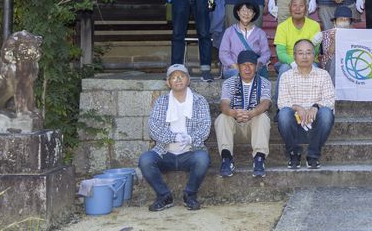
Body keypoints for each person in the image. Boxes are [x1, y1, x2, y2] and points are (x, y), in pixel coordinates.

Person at [138, 64, 211, 211]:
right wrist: (174, 137)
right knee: (145, 160)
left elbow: (205, 127)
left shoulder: (199, 101)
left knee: (202, 159)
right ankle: (164, 196)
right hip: (165, 152)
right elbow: (154, 128)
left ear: (188, 80)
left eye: (182, 76)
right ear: (168, 82)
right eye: (174, 77)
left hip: (190, 152)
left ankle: (190, 195)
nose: (178, 79)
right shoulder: (161, 101)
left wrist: (190, 138)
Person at [276, 39, 336, 169]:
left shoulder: (323, 75)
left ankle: (313, 155)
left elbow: (330, 99)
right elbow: (282, 102)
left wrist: (316, 106)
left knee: (326, 113)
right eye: (300, 53)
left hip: (316, 123)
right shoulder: (286, 76)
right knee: (284, 114)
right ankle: (294, 153)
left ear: (314, 56)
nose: (304, 56)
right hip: (295, 122)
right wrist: (297, 107)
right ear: (294, 56)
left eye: (308, 53)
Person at [214, 50, 272, 178]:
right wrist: (233, 113)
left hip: (254, 128)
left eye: (251, 64)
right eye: (243, 65)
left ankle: (259, 159)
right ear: (238, 66)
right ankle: (226, 159)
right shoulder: (229, 83)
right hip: (235, 129)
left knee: (262, 116)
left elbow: (265, 103)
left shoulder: (264, 82)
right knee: (223, 117)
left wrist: (252, 113)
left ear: (256, 67)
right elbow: (224, 104)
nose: (247, 68)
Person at [273, 0, 322, 97]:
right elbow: (280, 53)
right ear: (289, 8)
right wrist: (293, 62)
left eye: (301, 6)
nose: (297, 9)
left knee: (313, 68)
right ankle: (279, 103)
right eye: (294, 5)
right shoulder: (282, 27)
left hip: (310, 60)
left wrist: (314, 44)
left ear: (306, 8)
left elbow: (315, 52)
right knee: (284, 69)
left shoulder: (314, 25)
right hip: (288, 61)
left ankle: (314, 102)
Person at [218, 1, 270, 80]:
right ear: (238, 13)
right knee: (238, 74)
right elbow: (223, 54)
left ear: (254, 14)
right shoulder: (229, 31)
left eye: (250, 11)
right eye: (243, 10)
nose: (246, 13)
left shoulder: (260, 33)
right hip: (233, 69)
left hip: (254, 68)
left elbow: (266, 53)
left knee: (252, 74)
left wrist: (257, 64)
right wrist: (234, 65)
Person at [320, 4, 356, 81]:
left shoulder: (355, 34)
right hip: (331, 65)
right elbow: (329, 54)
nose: (344, 22)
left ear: (350, 23)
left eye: (346, 20)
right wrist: (334, 40)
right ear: (334, 22)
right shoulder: (327, 34)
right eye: (341, 19)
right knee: (335, 59)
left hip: (349, 62)